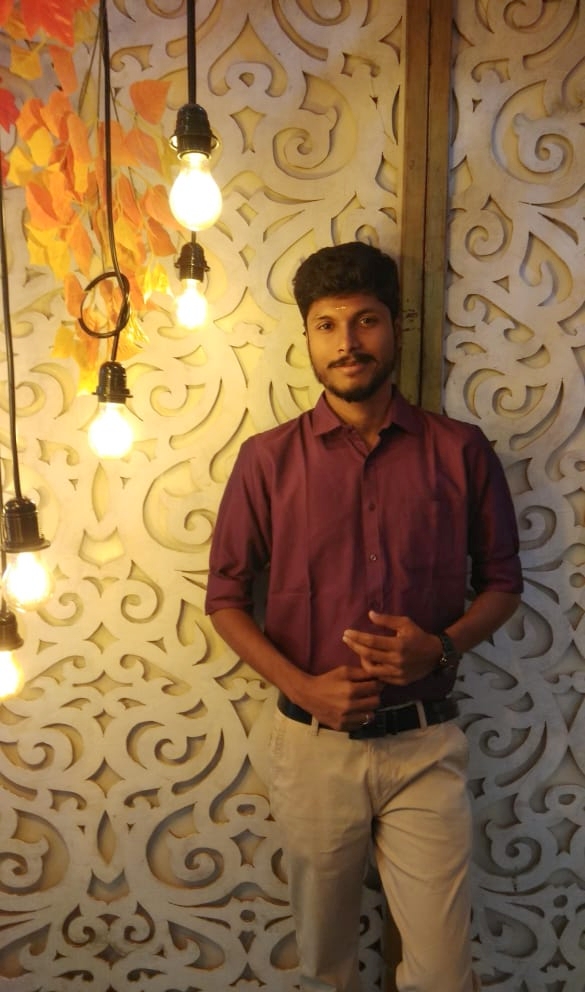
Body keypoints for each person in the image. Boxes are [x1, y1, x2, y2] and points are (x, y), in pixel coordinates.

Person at [205, 241, 522, 992]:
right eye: (326, 325)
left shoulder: (460, 451)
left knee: (443, 974)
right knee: (327, 966)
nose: (347, 342)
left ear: (395, 325)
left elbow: (503, 583)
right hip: (311, 749)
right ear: (307, 337)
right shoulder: (267, 460)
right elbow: (224, 598)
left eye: (365, 320)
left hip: (425, 744)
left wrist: (440, 646)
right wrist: (303, 687)